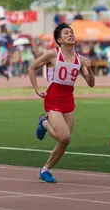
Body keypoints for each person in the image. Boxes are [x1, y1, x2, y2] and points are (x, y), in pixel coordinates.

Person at [27, 23, 95, 183]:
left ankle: (45, 170)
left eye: (72, 32)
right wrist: (37, 89)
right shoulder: (52, 54)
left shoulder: (80, 59)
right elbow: (32, 68)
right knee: (64, 136)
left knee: (64, 140)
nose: (71, 35)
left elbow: (91, 83)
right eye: (66, 33)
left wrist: (90, 69)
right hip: (53, 99)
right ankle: (44, 122)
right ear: (59, 39)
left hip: (68, 100)